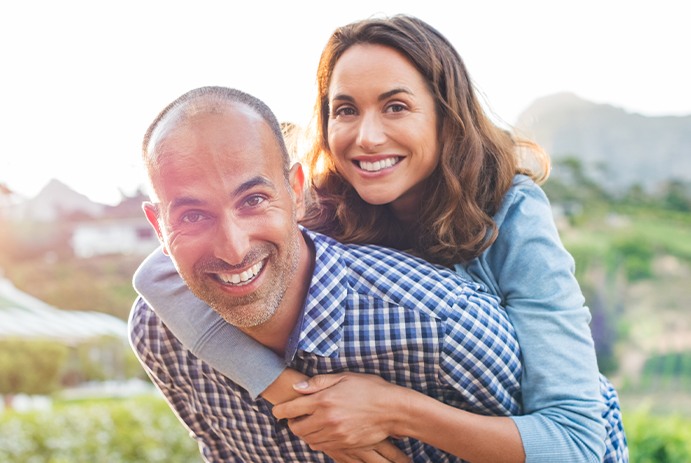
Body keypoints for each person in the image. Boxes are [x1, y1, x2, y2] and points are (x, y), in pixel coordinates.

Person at [133, 15, 628, 463]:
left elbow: (575, 445)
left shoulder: (511, 212)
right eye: (345, 110)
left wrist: (396, 411)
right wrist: (286, 393)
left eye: (395, 106)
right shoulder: (320, 197)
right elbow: (157, 274)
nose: (366, 136)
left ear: (444, 114)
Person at [131, 85, 529, 463]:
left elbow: (579, 444)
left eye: (253, 200)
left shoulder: (441, 325)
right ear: (158, 227)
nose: (233, 249)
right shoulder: (159, 334)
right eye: (193, 215)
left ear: (296, 191)